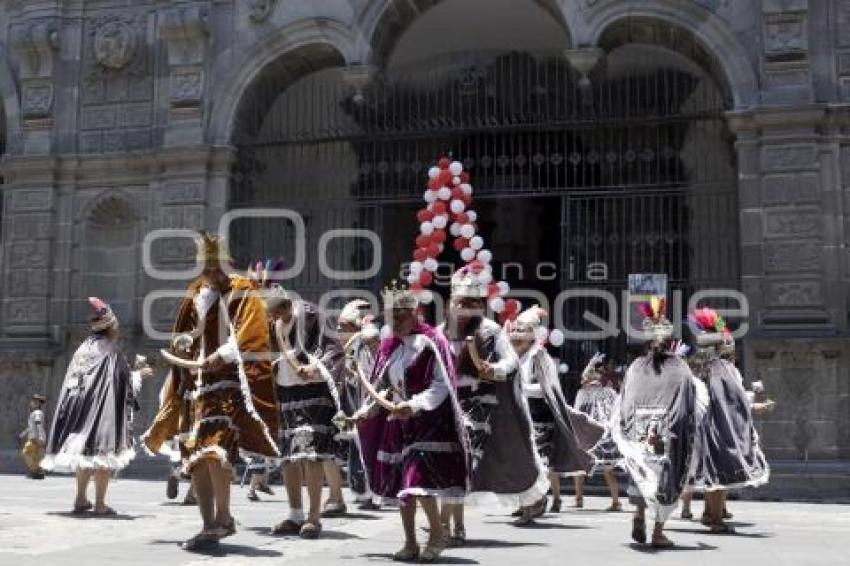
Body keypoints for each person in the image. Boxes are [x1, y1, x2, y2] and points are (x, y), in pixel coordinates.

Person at [143, 233, 280, 551]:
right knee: (194, 456)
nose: (211, 273)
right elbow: (187, 331)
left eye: (215, 266)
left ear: (225, 263)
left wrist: (224, 354)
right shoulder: (196, 294)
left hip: (227, 384)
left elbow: (250, 331)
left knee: (215, 449)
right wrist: (185, 344)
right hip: (195, 386)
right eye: (205, 268)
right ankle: (208, 526)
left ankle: (224, 516)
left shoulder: (242, 290)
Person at [354, 283, 470, 562]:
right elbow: (382, 385)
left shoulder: (432, 342)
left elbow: (442, 385)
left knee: (416, 480)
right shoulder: (389, 346)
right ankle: (410, 543)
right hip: (398, 423)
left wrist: (414, 405)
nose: (394, 325)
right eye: (390, 319)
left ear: (414, 313)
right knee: (401, 487)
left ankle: (437, 534)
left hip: (428, 421)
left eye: (399, 318)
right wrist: (369, 409)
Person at [438, 266, 548, 542]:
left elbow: (510, 362)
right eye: (460, 302)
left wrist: (492, 369)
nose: (465, 308)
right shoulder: (440, 332)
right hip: (444, 403)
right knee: (447, 464)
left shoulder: (491, 330)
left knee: (459, 461)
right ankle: (453, 525)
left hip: (478, 405)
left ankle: (447, 525)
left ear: (480, 305)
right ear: (451, 303)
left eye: (471, 303)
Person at [42, 297, 152, 514]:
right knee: (102, 454)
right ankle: (100, 504)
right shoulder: (111, 350)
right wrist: (140, 374)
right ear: (110, 327)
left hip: (78, 408)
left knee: (84, 451)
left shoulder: (84, 348)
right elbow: (122, 381)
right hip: (100, 410)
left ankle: (81, 499)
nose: (118, 330)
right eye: (116, 326)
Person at [611, 296, 697, 548]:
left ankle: (638, 515)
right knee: (664, 480)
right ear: (670, 340)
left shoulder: (636, 366)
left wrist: (626, 428)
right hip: (665, 435)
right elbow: (686, 403)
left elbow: (625, 401)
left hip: (638, 432)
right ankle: (658, 531)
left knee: (640, 475)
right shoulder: (680, 367)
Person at [507, 306, 604, 523]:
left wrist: (519, 388)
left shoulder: (539, 356)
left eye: (522, 331)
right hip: (520, 415)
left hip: (539, 417)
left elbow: (548, 388)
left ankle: (535, 502)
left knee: (534, 463)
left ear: (532, 334)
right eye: (515, 331)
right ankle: (527, 502)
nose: (516, 336)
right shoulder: (516, 357)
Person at [263, 283, 345, 538]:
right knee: (288, 455)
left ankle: (313, 517)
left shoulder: (313, 315)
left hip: (314, 389)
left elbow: (334, 348)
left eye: (277, 314)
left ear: (288, 306)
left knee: (311, 453)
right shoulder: (274, 324)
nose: (274, 320)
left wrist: (315, 368)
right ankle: (295, 514)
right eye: (272, 316)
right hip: (286, 388)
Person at [685, 308, 770, 533]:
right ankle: (715, 520)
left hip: (705, 425)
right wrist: (754, 406)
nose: (730, 346)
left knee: (713, 471)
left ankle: (709, 514)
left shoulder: (699, 364)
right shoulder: (721, 368)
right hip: (718, 426)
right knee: (719, 472)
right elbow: (732, 398)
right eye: (727, 342)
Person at [337, 299, 381, 510]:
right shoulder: (352, 342)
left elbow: (369, 373)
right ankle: (363, 491)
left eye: (343, 325)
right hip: (353, 399)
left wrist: (351, 374)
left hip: (366, 400)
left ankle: (372, 492)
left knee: (367, 445)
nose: (339, 329)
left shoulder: (363, 341)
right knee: (355, 446)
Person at [574, 353, 622, 511]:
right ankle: (579, 499)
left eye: (595, 375)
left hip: (600, 433)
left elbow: (617, 411)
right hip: (593, 433)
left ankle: (615, 502)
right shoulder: (586, 393)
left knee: (605, 469)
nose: (590, 380)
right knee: (582, 468)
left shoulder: (607, 392)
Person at [20, 394, 47, 479]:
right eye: (33, 401)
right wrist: (23, 433)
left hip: (36, 438)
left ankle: (35, 470)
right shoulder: (34, 413)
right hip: (34, 437)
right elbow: (31, 426)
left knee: (26, 452)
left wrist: (40, 437)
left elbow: (38, 424)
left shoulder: (37, 412)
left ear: (39, 404)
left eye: (36, 401)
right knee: (34, 455)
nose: (33, 403)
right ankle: (36, 472)